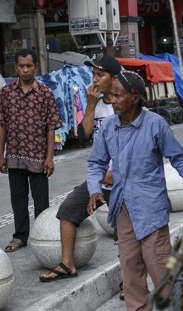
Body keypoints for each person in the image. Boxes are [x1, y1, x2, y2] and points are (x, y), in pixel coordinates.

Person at [86, 71, 183, 311]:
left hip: (151, 206)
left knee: (158, 261)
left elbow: (180, 159)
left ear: (135, 97)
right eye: (111, 95)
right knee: (130, 264)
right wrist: (93, 189)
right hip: (122, 207)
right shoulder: (109, 127)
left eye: (118, 95)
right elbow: (95, 163)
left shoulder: (155, 124)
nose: (112, 100)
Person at [39, 55, 121, 282]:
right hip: (99, 178)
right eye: (93, 74)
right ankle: (67, 263)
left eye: (100, 75)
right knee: (68, 210)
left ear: (114, 79)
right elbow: (83, 137)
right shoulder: (93, 101)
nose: (94, 79)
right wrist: (92, 105)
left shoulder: (124, 102)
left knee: (125, 231)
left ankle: (129, 278)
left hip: (124, 178)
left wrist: (118, 170)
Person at [0, 48, 62, 252]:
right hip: (14, 156)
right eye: (21, 66)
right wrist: (0, 156)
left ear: (35, 67)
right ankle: (20, 236)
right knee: (18, 199)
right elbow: (1, 124)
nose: (25, 70)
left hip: (38, 156)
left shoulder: (45, 94)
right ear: (15, 68)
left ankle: (43, 235)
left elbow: (51, 127)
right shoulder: (6, 93)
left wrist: (50, 157)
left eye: (29, 66)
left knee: (41, 201)